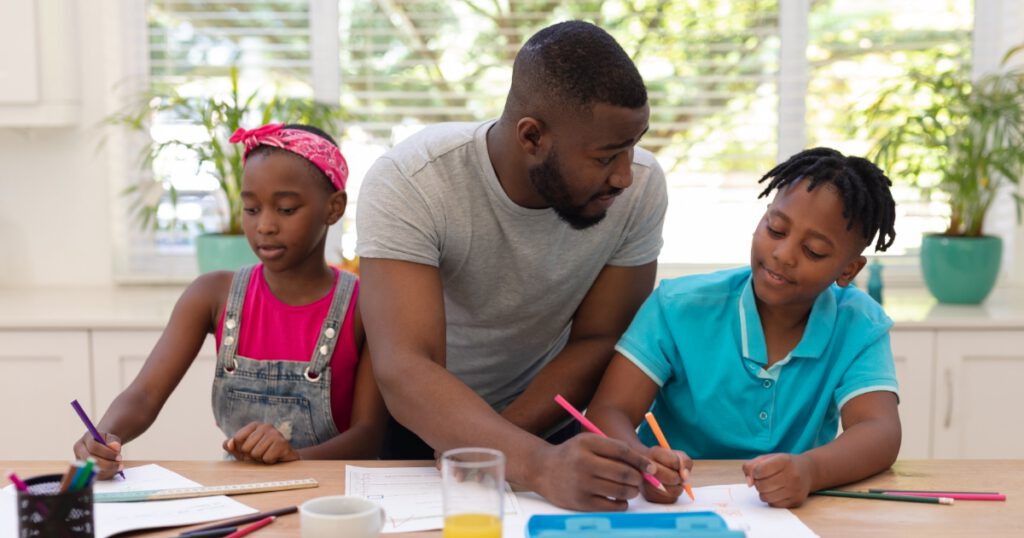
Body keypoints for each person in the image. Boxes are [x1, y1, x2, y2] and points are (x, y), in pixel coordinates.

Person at [356, 20, 668, 511]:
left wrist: (516, 451)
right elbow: (406, 366)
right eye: (607, 156)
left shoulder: (642, 188)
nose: (626, 175)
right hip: (419, 424)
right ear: (532, 137)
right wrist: (531, 463)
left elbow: (600, 338)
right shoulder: (411, 180)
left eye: (631, 146)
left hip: (548, 421)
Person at [586, 147, 901, 508]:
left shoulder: (859, 323)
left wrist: (811, 470)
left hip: (790, 515)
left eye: (813, 250)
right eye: (776, 228)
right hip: (678, 508)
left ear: (848, 270)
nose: (783, 254)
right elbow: (608, 411)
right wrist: (642, 462)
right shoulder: (678, 307)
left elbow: (879, 431)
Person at [75, 123, 386, 479]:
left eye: (285, 209)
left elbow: (369, 436)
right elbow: (144, 395)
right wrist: (106, 437)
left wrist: (295, 456)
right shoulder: (211, 295)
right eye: (252, 209)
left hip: (333, 493)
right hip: (237, 490)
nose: (265, 225)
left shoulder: (364, 306)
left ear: (334, 208)